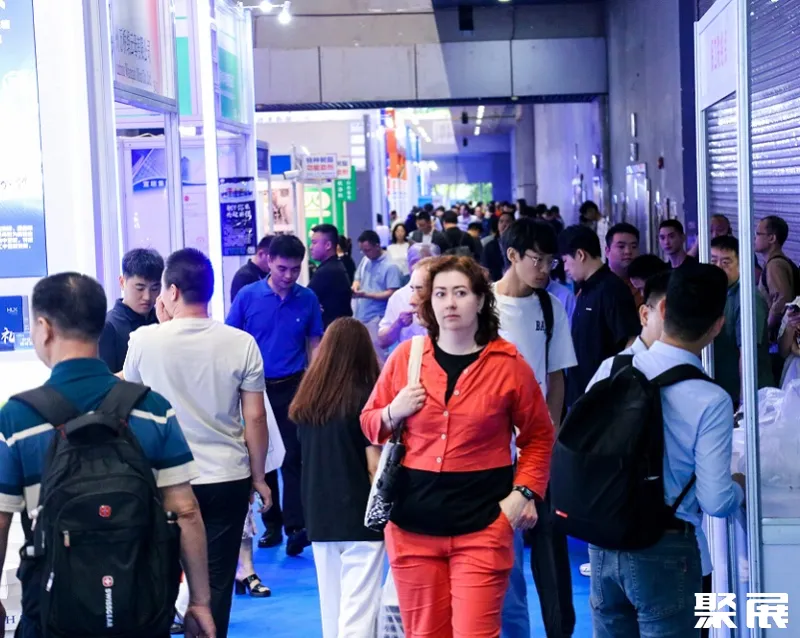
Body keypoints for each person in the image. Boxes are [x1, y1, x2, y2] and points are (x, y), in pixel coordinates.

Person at [0, 273, 215, 638]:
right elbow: (186, 511)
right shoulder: (152, 408)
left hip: (54, 614)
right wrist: (200, 602)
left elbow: (1, 521)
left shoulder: (17, 418)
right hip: (140, 610)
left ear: (44, 328)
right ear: (100, 326)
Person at [361, 256, 555, 638]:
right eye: (441, 294)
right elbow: (369, 423)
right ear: (429, 303)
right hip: (412, 529)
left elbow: (539, 436)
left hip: (483, 527)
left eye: (461, 293)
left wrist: (523, 493)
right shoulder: (406, 358)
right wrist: (393, 411)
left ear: (480, 300)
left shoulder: (508, 364)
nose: (450, 303)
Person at [586, 264, 745, 637]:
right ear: (717, 326)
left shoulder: (612, 368)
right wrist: (739, 484)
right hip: (666, 551)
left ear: (661, 309)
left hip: (604, 543)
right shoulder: (711, 399)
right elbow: (716, 500)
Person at [123, 248, 271, 638]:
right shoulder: (241, 343)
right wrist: (259, 477)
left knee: (160, 574)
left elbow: (129, 405)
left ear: (171, 292)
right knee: (217, 580)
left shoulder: (144, 341)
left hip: (165, 479)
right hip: (226, 476)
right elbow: (255, 418)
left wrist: (159, 330)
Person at [495, 219, 577, 638]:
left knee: (549, 543)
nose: (545, 269)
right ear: (513, 256)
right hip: (491, 451)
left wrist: (550, 436)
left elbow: (556, 377)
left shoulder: (551, 307)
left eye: (551, 261)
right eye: (537, 259)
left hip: (536, 448)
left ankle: (560, 630)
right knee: (503, 552)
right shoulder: (483, 305)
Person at [227, 234, 324, 556]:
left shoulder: (307, 299)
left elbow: (315, 343)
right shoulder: (248, 296)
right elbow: (232, 338)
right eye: (282, 268)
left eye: (295, 269)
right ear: (268, 261)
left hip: (295, 386)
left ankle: (296, 527)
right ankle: (272, 524)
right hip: (255, 388)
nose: (288, 275)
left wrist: (316, 383)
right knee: (263, 456)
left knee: (294, 456)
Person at [290, 318, 385, 638]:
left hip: (319, 514)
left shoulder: (307, 403)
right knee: (359, 609)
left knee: (331, 609)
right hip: (360, 516)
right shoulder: (367, 400)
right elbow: (374, 467)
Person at [559, 225, 640, 408]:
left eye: (566, 261)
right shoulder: (585, 289)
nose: (565, 268)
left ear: (580, 255)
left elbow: (631, 341)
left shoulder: (612, 289)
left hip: (604, 400)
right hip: (581, 396)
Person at [710, 235, 774, 407]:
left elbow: (746, 354)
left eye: (726, 262)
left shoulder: (748, 297)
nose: (718, 267)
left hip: (749, 397)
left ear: (741, 264)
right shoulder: (713, 293)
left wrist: (744, 404)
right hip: (722, 393)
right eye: (713, 261)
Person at [99, 248, 164, 374]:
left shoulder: (162, 320)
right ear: (122, 282)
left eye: (154, 288)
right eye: (140, 288)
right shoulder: (108, 326)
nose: (147, 297)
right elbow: (104, 381)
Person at [377, 244, 440, 350]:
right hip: (412, 356)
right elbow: (382, 342)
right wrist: (398, 324)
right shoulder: (399, 297)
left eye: (427, 263)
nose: (420, 268)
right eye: (415, 263)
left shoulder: (447, 295)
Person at [353, 230, 403, 357]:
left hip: (378, 317)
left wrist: (366, 295)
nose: (365, 253)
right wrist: (356, 285)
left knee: (378, 356)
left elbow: (392, 293)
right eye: (362, 250)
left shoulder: (391, 266)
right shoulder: (365, 260)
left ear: (377, 246)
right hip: (362, 314)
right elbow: (358, 277)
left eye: (367, 250)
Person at [755, 215, 799, 338]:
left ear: (772, 238)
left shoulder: (775, 265)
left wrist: (765, 330)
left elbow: (782, 300)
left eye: (758, 234)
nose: (754, 238)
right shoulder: (775, 262)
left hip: (779, 338)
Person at [309, 224, 353, 329]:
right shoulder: (334, 266)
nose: (311, 247)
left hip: (333, 331)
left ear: (328, 245)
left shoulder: (328, 271)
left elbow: (306, 299)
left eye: (314, 243)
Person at [605, 223, 642, 306]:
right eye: (621, 247)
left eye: (634, 247)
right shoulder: (595, 285)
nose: (628, 251)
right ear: (607, 251)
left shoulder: (645, 285)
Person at [230, 235, 272, 303]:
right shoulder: (244, 277)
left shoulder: (266, 275)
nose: (273, 263)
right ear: (261, 254)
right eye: (271, 259)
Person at [482, 211, 515, 282]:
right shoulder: (489, 246)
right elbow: (485, 268)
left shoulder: (517, 245)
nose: (504, 224)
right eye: (501, 221)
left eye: (507, 221)